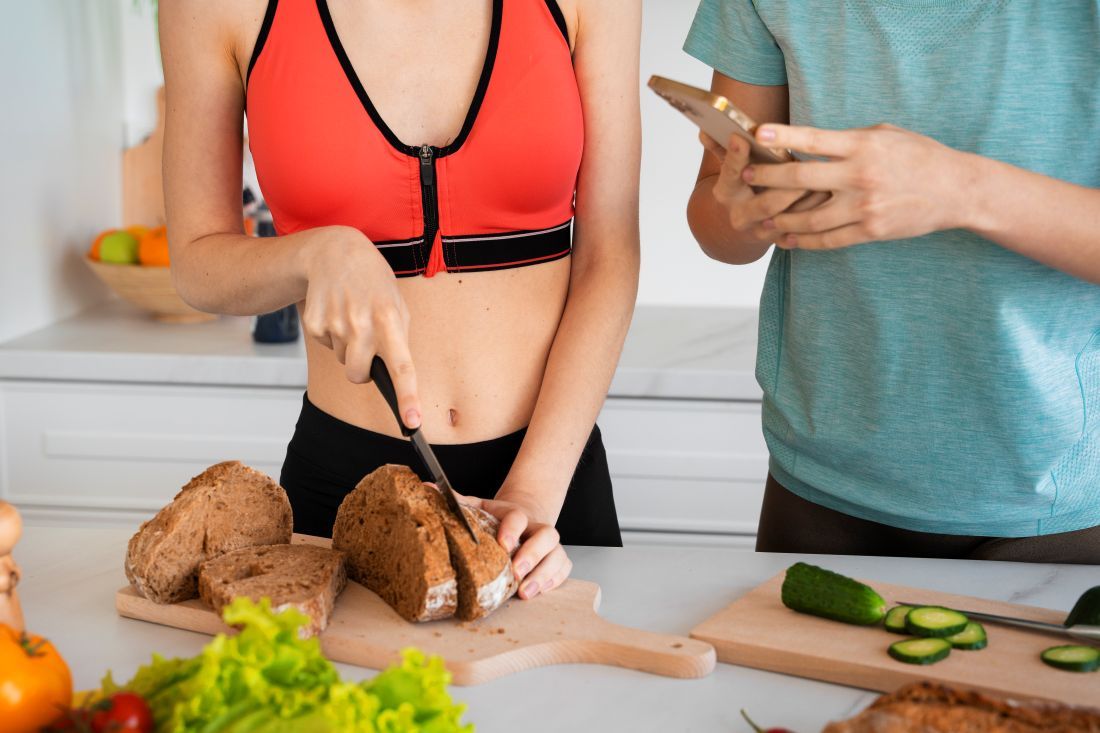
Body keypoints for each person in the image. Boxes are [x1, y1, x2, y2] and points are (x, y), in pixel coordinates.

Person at [159, 0, 641, 600]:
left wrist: (535, 491)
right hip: (346, 490)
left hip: (550, 487)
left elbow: (610, 255)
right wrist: (311, 254)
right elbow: (198, 264)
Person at [683, 1, 1100, 562]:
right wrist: (744, 207)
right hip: (817, 483)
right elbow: (718, 227)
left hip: (1059, 498)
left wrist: (960, 189)